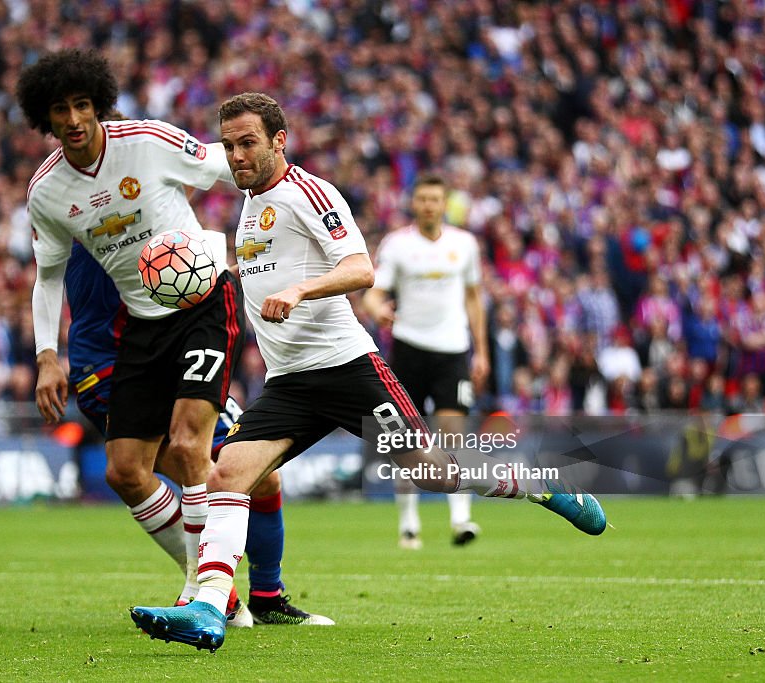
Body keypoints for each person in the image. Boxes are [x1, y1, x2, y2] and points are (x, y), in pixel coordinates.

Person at [130, 92, 607, 652]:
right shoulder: (251, 201)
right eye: (229, 145)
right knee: (226, 475)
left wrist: (301, 289)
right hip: (289, 383)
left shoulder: (308, 191)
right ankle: (210, 609)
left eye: (248, 143)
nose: (235, 155)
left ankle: (535, 482)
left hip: (347, 369)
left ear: (279, 141)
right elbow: (274, 267)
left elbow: (361, 268)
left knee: (432, 472)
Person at [18, 48, 240, 616]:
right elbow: (46, 278)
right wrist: (48, 355)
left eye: (82, 105)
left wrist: (276, 222)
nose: (73, 119)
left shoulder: (147, 141)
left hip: (201, 304)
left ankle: (210, 596)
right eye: (60, 110)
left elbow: (228, 166)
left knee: (191, 446)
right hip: (142, 323)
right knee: (123, 470)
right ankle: (210, 585)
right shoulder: (46, 192)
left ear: (99, 106)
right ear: (45, 119)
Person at [65, 239, 330, 625]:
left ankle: (266, 598)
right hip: (118, 365)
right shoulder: (73, 210)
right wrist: (45, 353)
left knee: (263, 478)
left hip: (175, 352)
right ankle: (215, 592)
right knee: (161, 467)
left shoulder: (158, 215)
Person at [362, 175, 489, 549]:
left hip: (452, 349)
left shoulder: (464, 245)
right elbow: (375, 292)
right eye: (423, 199)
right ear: (414, 204)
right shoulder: (398, 245)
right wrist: (377, 310)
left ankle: (461, 518)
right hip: (409, 348)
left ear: (444, 204)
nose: (429, 205)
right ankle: (409, 524)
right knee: (408, 439)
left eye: (436, 199)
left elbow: (474, 298)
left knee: (453, 432)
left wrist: (480, 350)